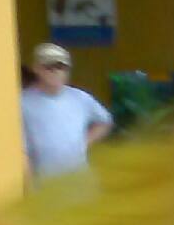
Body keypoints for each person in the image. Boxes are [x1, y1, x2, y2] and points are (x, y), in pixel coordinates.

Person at [19, 43, 113, 179]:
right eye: (49, 67)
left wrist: (84, 142)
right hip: (43, 182)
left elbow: (104, 121)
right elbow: (20, 148)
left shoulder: (80, 97)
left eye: (61, 67)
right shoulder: (23, 101)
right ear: (36, 68)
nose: (55, 71)